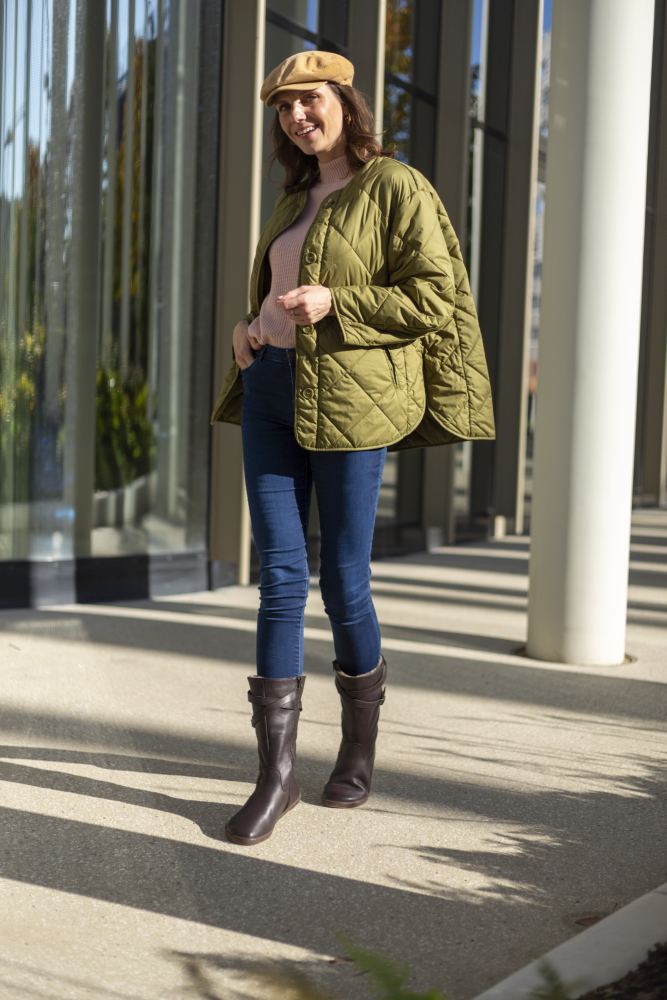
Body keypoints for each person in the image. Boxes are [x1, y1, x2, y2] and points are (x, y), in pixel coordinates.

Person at [211, 51, 495, 846]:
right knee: (277, 577)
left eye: (310, 100)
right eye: (284, 106)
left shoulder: (393, 186)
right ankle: (276, 778)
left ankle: (358, 752)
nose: (297, 114)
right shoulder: (293, 197)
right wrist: (247, 327)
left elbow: (434, 295)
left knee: (342, 581)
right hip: (269, 391)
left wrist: (338, 301)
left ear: (345, 102)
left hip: (350, 405)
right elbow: (274, 295)